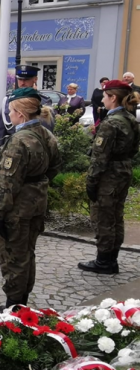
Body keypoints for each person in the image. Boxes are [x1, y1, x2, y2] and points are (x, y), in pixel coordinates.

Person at [0, 88, 60, 311]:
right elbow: (55, 167)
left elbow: (7, 183)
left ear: (20, 113)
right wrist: (37, 183)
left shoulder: (19, 140)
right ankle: (22, 301)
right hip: (37, 203)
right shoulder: (46, 134)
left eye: (11, 111)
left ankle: (13, 306)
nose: (9, 115)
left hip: (17, 209)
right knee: (28, 254)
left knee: (13, 256)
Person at [78, 80, 140, 274]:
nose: (102, 99)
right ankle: (111, 258)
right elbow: (134, 149)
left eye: (105, 96)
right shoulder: (130, 118)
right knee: (116, 216)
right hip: (123, 170)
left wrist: (91, 181)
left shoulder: (111, 122)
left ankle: (104, 261)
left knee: (104, 217)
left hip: (108, 175)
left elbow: (99, 157)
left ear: (113, 98)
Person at [0, 66, 53, 155]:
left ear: (35, 79)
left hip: (35, 152)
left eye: (26, 80)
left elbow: (47, 132)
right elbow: (1, 131)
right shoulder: (8, 100)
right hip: (11, 150)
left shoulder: (43, 101)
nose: (22, 83)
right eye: (20, 79)